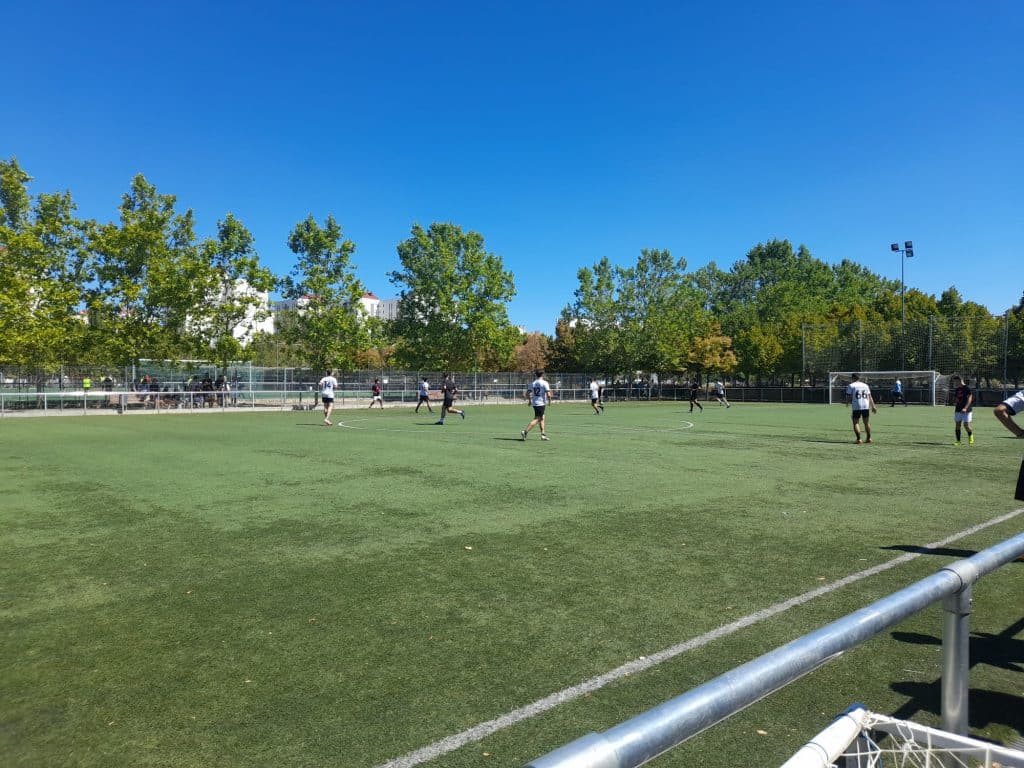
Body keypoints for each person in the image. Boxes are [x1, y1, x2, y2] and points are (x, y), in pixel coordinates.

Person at [845, 373, 878, 444]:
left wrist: (847, 403)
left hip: (857, 406)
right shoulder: (865, 385)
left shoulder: (851, 385)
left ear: (853, 378)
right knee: (866, 422)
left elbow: (848, 396)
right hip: (866, 406)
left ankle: (859, 439)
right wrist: (873, 406)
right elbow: (870, 396)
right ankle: (869, 438)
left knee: (856, 422)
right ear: (859, 378)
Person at [521, 370, 552, 441]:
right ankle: (525, 431)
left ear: (536, 375)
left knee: (542, 417)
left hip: (535, 403)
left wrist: (529, 401)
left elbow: (527, 394)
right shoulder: (544, 383)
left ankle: (543, 435)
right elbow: (548, 394)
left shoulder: (533, 383)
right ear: (543, 375)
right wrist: (550, 401)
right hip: (541, 404)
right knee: (538, 419)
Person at [951, 375, 974, 446]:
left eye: (955, 381)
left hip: (967, 410)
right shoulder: (957, 389)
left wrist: (965, 408)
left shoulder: (967, 388)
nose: (955, 383)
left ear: (960, 380)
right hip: (958, 409)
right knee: (957, 425)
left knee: (966, 425)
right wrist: (955, 401)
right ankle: (958, 441)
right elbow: (956, 398)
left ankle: (971, 436)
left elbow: (970, 398)